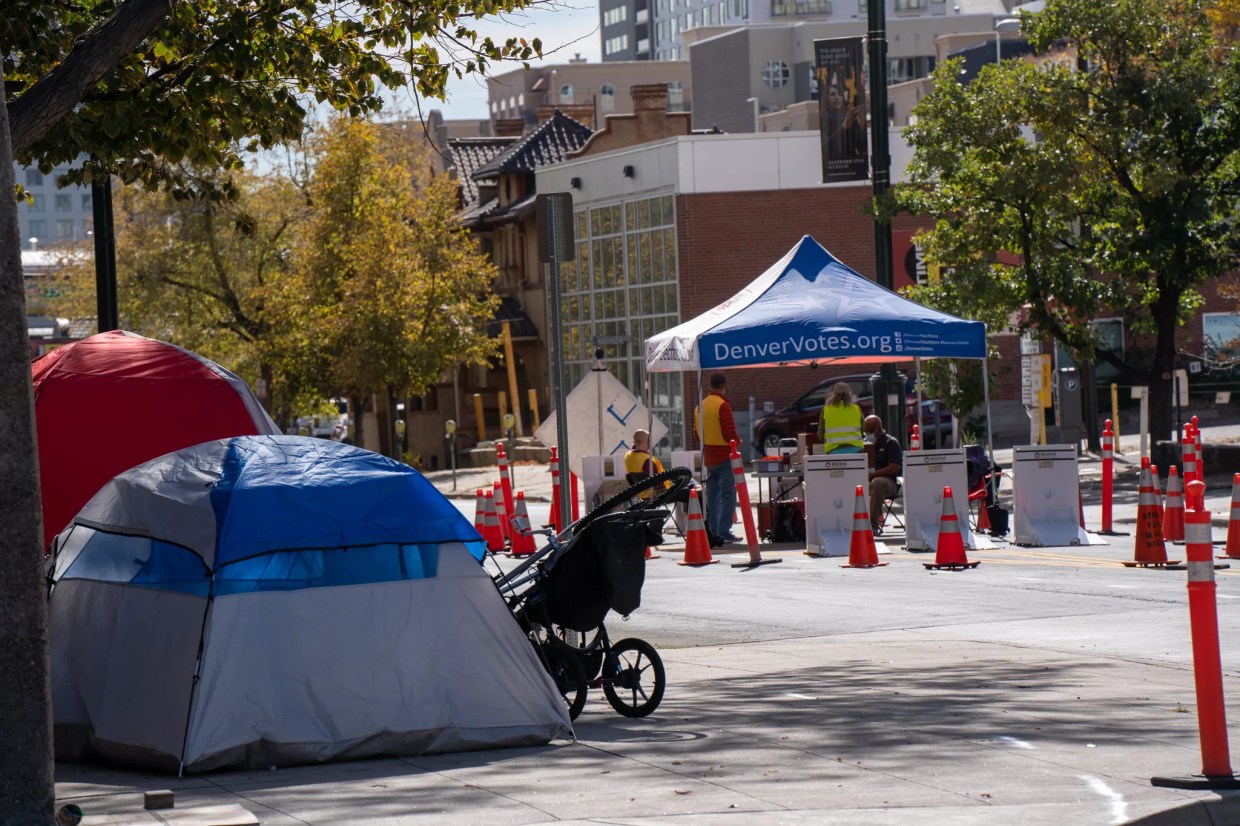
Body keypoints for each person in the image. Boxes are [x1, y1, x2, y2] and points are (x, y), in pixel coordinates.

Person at [694, 372, 740, 546]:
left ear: (710, 385)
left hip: (709, 457)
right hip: (724, 455)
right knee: (728, 494)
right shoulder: (722, 405)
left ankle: (713, 530)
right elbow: (729, 432)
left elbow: (697, 434)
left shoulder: (700, 406)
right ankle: (723, 531)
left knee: (712, 496)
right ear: (724, 385)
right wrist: (738, 442)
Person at [863, 414, 903, 533]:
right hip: (867, 480)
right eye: (865, 432)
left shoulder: (891, 443)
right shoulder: (864, 444)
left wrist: (873, 474)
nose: (867, 435)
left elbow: (894, 467)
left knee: (878, 483)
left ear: (878, 429)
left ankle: (872, 526)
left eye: (870, 431)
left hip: (888, 482)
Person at [818, 382, 864, 454]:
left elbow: (821, 435)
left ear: (833, 394)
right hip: (856, 450)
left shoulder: (826, 409)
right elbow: (862, 431)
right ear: (849, 394)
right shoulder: (857, 409)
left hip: (833, 451)